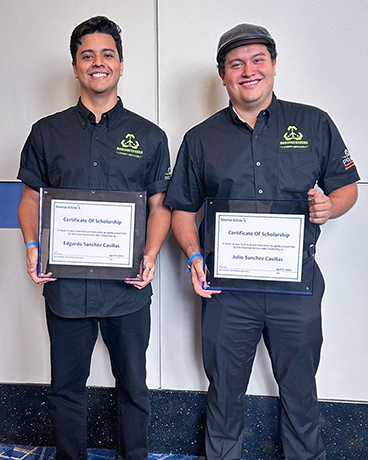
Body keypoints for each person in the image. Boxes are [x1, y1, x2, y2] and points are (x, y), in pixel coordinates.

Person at [164, 23, 359, 460]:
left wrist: (331, 206)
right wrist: (194, 255)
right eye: (236, 64)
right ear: (222, 75)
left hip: (297, 288)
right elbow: (180, 209)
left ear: (273, 66)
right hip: (227, 292)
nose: (247, 71)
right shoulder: (200, 139)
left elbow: (347, 187)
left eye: (257, 60)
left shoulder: (314, 122)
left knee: (301, 394)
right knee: (225, 397)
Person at [17, 16, 171, 460]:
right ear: (75, 66)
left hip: (128, 290)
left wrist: (151, 253)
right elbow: (30, 200)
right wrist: (32, 245)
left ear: (121, 65)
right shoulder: (47, 132)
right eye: (87, 55)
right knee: (66, 388)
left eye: (107, 55)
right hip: (66, 290)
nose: (97, 63)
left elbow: (160, 206)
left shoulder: (149, 135)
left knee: (134, 387)